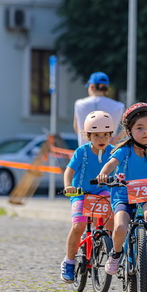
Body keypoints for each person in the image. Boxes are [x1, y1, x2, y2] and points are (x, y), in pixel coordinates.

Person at [96, 102, 147, 275]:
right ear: (129, 131)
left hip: (146, 196)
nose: (145, 132)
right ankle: (116, 253)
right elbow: (111, 164)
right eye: (140, 128)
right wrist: (103, 174)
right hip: (123, 197)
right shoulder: (124, 150)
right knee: (120, 227)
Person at [60, 111, 116, 283]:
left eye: (105, 135)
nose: (101, 139)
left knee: (112, 214)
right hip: (81, 193)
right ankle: (69, 261)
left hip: (103, 191)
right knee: (79, 226)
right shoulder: (81, 152)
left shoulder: (114, 152)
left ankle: (107, 245)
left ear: (110, 135)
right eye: (96, 135)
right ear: (88, 136)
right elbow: (69, 170)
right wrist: (68, 186)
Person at [73, 72, 125, 146]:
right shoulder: (118, 106)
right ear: (107, 89)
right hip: (108, 150)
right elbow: (129, 125)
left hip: (85, 150)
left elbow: (76, 128)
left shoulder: (79, 104)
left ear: (92, 87)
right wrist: (115, 139)